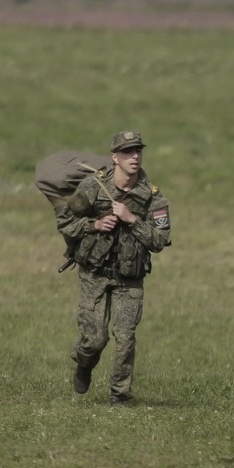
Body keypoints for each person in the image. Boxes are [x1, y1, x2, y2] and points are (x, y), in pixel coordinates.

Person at [57, 130, 172, 406]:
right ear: (114, 158)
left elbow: (160, 240)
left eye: (137, 151)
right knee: (94, 339)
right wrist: (94, 225)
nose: (134, 157)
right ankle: (84, 363)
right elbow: (65, 223)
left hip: (129, 279)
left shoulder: (153, 198)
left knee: (125, 339)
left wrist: (132, 219)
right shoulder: (93, 188)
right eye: (127, 152)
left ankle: (120, 395)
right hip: (94, 275)